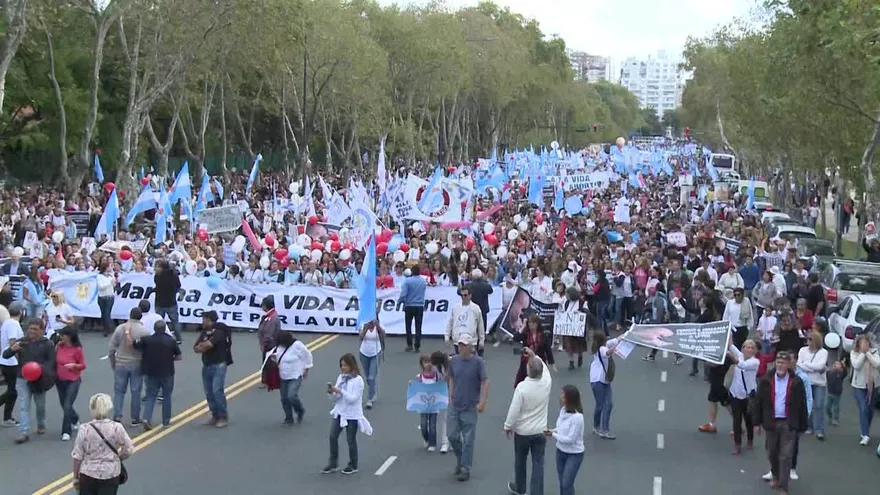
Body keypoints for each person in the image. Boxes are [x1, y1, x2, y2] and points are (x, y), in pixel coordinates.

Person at [753, 351, 809, 495]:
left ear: (789, 364)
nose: (780, 365)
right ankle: (775, 475)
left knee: (786, 455)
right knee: (772, 452)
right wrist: (756, 422)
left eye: (783, 362)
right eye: (778, 362)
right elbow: (758, 402)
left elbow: (802, 404)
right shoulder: (766, 380)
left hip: (788, 423)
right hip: (771, 422)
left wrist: (803, 426)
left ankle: (784, 486)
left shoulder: (796, 382)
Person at [504, 347, 552, 495]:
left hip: (522, 432)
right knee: (538, 464)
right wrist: (535, 355)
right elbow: (545, 367)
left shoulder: (522, 388)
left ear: (528, 370)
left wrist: (508, 426)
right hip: (540, 431)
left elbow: (514, 409)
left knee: (520, 460)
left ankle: (520, 488)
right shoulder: (546, 382)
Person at [2, 318, 55, 444]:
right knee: (23, 405)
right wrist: (12, 350)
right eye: (30, 329)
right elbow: (5, 355)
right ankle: (24, 432)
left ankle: (41, 423)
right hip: (22, 378)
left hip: (39, 379)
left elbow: (51, 362)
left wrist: (40, 369)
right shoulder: (22, 342)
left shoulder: (47, 344)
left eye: (35, 329)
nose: (32, 332)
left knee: (40, 405)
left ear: (42, 330)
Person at [71, 393, 134, 495]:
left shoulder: (84, 429)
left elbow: (77, 456)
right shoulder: (116, 427)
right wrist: (118, 458)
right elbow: (129, 449)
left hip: (88, 474)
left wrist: (75, 477)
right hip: (110, 473)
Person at [447, 334, 489, 482]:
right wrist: (450, 394)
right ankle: (461, 458)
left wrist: (482, 401)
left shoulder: (478, 363)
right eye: (460, 345)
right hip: (455, 404)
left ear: (471, 346)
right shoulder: (454, 361)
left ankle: (465, 468)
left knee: (468, 439)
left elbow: (485, 382)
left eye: (464, 345)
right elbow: (451, 377)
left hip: (470, 406)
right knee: (452, 435)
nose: (461, 347)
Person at [322, 353, 372, 475]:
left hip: (352, 415)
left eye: (345, 365)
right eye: (341, 365)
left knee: (350, 440)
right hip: (339, 412)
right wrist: (332, 392)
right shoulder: (341, 378)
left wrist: (340, 391)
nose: (343, 368)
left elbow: (353, 399)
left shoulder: (358, 380)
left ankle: (353, 464)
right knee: (332, 437)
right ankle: (333, 463)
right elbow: (336, 399)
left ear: (352, 365)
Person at [133, 320, 181, 430]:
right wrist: (170, 358)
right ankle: (166, 421)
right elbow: (179, 356)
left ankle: (146, 418)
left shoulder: (147, 340)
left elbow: (135, 344)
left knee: (151, 396)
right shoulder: (171, 341)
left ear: (154, 329)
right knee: (167, 396)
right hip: (167, 372)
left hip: (151, 372)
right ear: (165, 329)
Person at [108, 308, 149, 425]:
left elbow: (111, 348)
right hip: (137, 363)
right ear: (141, 317)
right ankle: (135, 418)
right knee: (136, 392)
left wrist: (113, 362)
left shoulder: (120, 328)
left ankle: (117, 415)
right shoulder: (144, 331)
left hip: (121, 363)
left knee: (119, 392)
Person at [194, 310, 231, 428]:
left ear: (209, 319)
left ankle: (222, 417)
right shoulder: (205, 331)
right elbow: (196, 347)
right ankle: (214, 415)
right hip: (207, 364)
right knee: (209, 392)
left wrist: (203, 346)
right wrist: (203, 346)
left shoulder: (219, 331)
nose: (202, 321)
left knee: (217, 391)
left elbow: (209, 345)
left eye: (203, 319)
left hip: (218, 365)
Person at [546, 384, 584, 495]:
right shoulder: (563, 411)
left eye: (563, 394)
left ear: (570, 398)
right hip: (560, 452)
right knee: (563, 482)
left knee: (566, 483)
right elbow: (562, 428)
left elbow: (570, 439)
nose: (560, 397)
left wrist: (553, 434)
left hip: (574, 454)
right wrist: (552, 430)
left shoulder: (578, 418)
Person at [273, 330, 313, 425]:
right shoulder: (279, 347)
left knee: (291, 395)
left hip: (295, 375)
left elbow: (308, 356)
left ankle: (300, 410)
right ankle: (289, 418)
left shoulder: (297, 345)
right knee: (284, 398)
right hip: (283, 375)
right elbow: (277, 356)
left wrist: (306, 369)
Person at [726, 338, 758, 455]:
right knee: (737, 420)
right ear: (743, 348)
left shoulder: (755, 362)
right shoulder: (739, 355)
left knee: (748, 419)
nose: (748, 349)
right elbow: (730, 345)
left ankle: (750, 439)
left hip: (748, 395)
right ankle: (737, 444)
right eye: (746, 347)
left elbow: (743, 365)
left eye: (751, 347)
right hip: (735, 393)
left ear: (754, 350)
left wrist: (731, 357)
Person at [55, 327, 86, 441]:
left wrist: (74, 366)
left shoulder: (77, 349)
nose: (61, 337)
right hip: (60, 379)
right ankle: (74, 418)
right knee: (64, 404)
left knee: (67, 404)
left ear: (69, 336)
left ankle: (66, 431)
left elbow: (83, 365)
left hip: (73, 380)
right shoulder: (59, 346)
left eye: (63, 335)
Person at [796, 331, 828, 440]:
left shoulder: (823, 352)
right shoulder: (802, 350)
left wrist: (806, 365)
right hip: (806, 382)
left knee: (818, 405)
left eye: (810, 339)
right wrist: (812, 367)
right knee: (806, 405)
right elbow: (798, 364)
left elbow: (820, 366)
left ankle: (819, 430)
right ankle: (809, 426)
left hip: (819, 383)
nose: (807, 341)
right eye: (807, 339)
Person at [850, 334, 880, 446]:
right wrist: (862, 353)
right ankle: (865, 434)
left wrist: (868, 353)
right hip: (859, 386)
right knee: (863, 408)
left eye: (866, 343)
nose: (865, 345)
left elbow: (877, 363)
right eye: (862, 343)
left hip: (873, 385)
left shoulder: (874, 352)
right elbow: (856, 365)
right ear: (858, 344)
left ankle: (865, 428)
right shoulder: (854, 353)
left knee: (870, 410)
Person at [0, 302, 25, 427]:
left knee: (12, 390)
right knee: (12, 391)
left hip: (6, 361)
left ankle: (7, 417)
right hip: (10, 362)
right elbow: (13, 343)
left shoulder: (7, 323)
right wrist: (20, 358)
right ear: (21, 311)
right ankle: (7, 417)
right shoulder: (13, 324)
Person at [513, 315, 555, 386]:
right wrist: (523, 326)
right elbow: (515, 338)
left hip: (540, 361)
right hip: (526, 362)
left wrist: (552, 364)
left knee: (538, 382)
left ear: (537, 324)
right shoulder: (525, 334)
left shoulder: (543, 335)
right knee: (524, 381)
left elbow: (548, 350)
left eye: (533, 322)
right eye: (529, 322)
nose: (531, 324)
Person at [590, 331, 617, 439]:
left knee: (607, 404)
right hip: (598, 380)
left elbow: (618, 339)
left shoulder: (603, 346)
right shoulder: (601, 349)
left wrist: (627, 334)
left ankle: (598, 427)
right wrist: (616, 348)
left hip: (603, 380)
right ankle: (603, 429)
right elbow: (608, 353)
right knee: (602, 405)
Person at [444, 285, 485, 357]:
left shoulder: (475, 308)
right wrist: (447, 336)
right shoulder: (455, 307)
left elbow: (480, 325)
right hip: (457, 341)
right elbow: (450, 322)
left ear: (470, 296)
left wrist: (482, 340)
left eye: (465, 295)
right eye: (461, 295)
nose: (463, 297)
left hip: (471, 342)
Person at [415, 353, 440, 451]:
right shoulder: (419, 377)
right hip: (423, 405)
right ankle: (427, 439)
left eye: (430, 362)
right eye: (425, 362)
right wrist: (411, 384)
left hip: (434, 405)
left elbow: (441, 386)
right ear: (422, 364)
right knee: (424, 425)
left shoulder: (436, 376)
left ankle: (432, 443)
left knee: (432, 425)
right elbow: (416, 389)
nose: (428, 364)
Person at [399, 265, 427, 352]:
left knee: (408, 325)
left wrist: (400, 301)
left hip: (409, 305)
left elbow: (404, 293)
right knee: (418, 326)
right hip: (419, 306)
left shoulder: (408, 281)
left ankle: (409, 344)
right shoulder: (423, 281)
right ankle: (417, 345)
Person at [358, 317, 384, 409]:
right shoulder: (363, 325)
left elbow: (383, 335)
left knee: (371, 376)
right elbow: (361, 337)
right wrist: (366, 328)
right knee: (367, 376)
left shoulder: (378, 325)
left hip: (376, 353)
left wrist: (378, 326)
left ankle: (370, 398)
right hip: (364, 353)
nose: (371, 322)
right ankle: (372, 389)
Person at [154, 260, 182, 343]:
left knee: (159, 320)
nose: (156, 268)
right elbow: (178, 285)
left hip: (159, 302)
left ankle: (158, 337)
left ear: (161, 267)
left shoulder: (158, 276)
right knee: (175, 321)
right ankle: (178, 338)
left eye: (157, 266)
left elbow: (157, 285)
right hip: (171, 302)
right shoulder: (174, 275)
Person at [257, 296, 281, 389]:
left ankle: (266, 381)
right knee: (270, 362)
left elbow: (268, 332)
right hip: (270, 342)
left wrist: (264, 344)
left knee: (268, 362)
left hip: (270, 343)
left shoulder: (272, 318)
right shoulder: (270, 315)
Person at [96, 261, 117, 337]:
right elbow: (100, 287)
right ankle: (106, 327)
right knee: (103, 313)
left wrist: (113, 278)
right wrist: (110, 283)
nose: (110, 268)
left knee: (107, 313)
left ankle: (107, 329)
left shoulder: (111, 275)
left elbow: (114, 285)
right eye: (109, 266)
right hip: (102, 297)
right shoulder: (99, 276)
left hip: (110, 297)